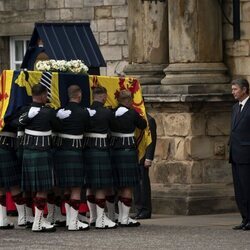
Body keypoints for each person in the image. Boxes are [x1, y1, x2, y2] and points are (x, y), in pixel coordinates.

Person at [19, 84, 62, 232]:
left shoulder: (25, 110)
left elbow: (15, 123)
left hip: (28, 152)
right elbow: (58, 126)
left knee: (32, 188)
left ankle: (33, 218)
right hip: (42, 152)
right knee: (42, 189)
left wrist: (26, 116)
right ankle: (38, 222)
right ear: (44, 95)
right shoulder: (48, 112)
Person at [53, 85, 89, 231]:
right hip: (75, 151)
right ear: (79, 95)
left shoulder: (60, 112)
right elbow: (88, 128)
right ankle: (73, 223)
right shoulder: (83, 112)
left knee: (67, 187)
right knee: (76, 187)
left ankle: (69, 219)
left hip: (61, 151)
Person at [110, 89, 147, 227]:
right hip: (127, 151)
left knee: (119, 185)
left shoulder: (111, 113)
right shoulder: (132, 113)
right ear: (128, 100)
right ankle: (124, 218)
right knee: (128, 186)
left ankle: (120, 216)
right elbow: (143, 125)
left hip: (114, 150)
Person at [83, 86, 117, 229]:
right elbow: (115, 127)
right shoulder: (106, 112)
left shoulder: (85, 111)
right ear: (103, 96)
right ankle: (101, 219)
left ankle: (93, 217)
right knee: (101, 186)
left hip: (87, 150)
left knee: (90, 185)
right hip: (101, 150)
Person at [230, 78, 250, 231]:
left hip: (247, 155)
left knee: (247, 188)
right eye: (232, 89)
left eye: (235, 89)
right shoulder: (235, 108)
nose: (233, 92)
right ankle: (244, 218)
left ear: (244, 89)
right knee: (239, 190)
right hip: (236, 155)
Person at [134, 113, 157, 219]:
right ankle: (139, 209)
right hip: (135, 154)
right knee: (136, 185)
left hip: (143, 157)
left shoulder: (149, 119)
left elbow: (151, 140)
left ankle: (145, 210)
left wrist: (149, 157)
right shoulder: (134, 117)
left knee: (143, 183)